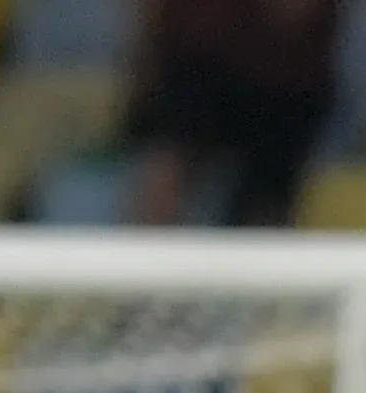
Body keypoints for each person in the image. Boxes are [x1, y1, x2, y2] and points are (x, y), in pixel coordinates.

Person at [123, 0, 339, 229]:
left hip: (284, 85)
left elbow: (295, 13)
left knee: (265, 207)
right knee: (164, 174)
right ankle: (143, 256)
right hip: (198, 61)